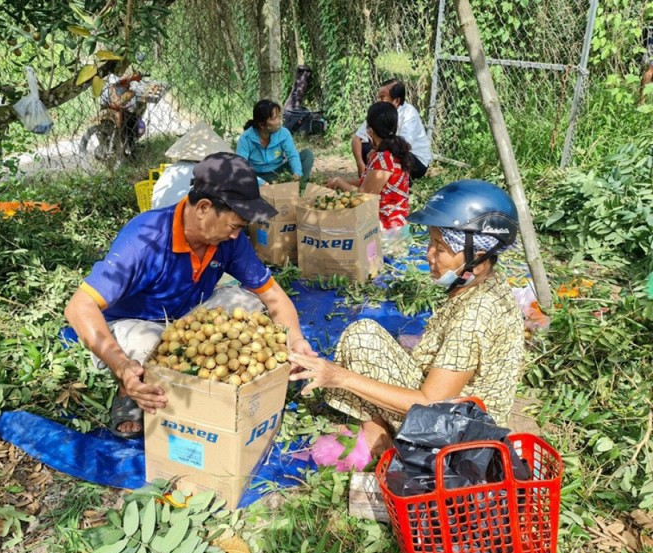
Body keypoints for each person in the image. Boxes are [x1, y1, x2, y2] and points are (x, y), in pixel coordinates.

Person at [65, 152, 316, 438]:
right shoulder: (146, 239)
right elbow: (78, 307)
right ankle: (129, 385)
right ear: (204, 208)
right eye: (234, 226)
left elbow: (273, 295)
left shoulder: (228, 240)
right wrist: (122, 366)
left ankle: (167, 376)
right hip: (134, 321)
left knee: (249, 302)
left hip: (185, 316)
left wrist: (296, 341)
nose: (236, 236)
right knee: (151, 346)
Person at [289, 180, 525, 455]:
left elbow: (430, 402)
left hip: (461, 431)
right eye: (430, 243)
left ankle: (384, 446)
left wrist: (339, 377)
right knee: (362, 335)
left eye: (440, 248)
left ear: (478, 256)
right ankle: (380, 433)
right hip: (458, 404)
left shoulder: (475, 315)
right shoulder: (483, 285)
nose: (429, 255)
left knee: (359, 351)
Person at [327, 101, 412, 233]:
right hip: (398, 224)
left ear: (370, 131)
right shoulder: (392, 152)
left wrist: (339, 182)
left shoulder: (383, 159)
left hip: (386, 228)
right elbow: (369, 182)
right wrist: (336, 182)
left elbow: (364, 197)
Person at [351, 79, 432, 181]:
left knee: (391, 152)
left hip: (414, 159)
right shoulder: (379, 111)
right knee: (364, 147)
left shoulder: (409, 114)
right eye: (378, 97)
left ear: (396, 101)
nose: (378, 101)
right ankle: (372, 177)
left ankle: (398, 180)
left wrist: (377, 150)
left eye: (382, 97)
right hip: (388, 152)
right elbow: (357, 138)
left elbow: (402, 146)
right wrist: (360, 163)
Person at [236, 99, 314, 183]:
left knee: (307, 155)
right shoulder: (246, 138)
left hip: (278, 174)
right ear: (262, 125)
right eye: (274, 118)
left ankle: (299, 187)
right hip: (256, 177)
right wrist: (260, 183)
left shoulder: (284, 133)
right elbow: (241, 166)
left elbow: (292, 155)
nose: (279, 121)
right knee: (239, 176)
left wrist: (297, 172)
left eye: (279, 116)